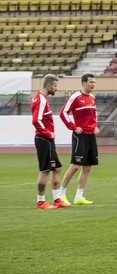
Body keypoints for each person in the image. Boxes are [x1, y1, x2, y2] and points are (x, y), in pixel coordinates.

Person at [58, 73, 99, 205]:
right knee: (75, 166)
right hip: (80, 135)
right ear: (83, 83)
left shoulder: (92, 97)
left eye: (94, 82)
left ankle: (79, 196)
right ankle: (61, 194)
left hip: (91, 136)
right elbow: (63, 112)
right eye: (91, 82)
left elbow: (94, 113)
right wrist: (73, 127)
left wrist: (95, 126)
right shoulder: (75, 97)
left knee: (87, 167)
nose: (93, 84)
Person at [31, 74, 67, 209]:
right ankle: (41, 201)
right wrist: (47, 133)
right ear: (49, 85)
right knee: (45, 169)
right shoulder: (40, 99)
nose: (56, 89)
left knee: (57, 168)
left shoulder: (41, 99)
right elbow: (36, 120)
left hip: (47, 139)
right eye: (56, 86)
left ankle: (57, 199)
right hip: (44, 139)